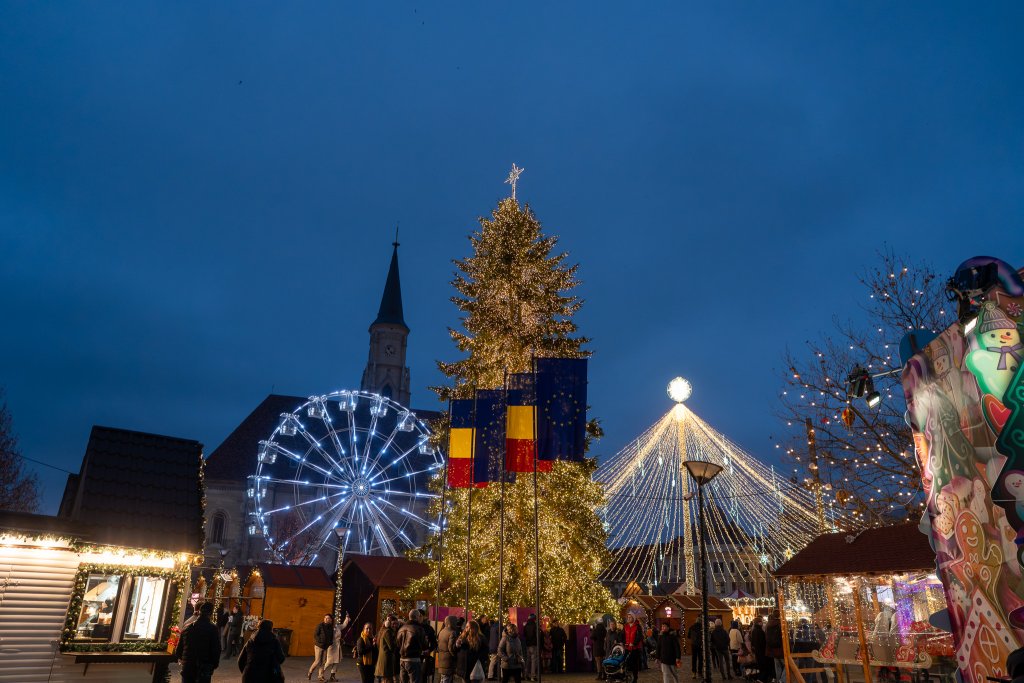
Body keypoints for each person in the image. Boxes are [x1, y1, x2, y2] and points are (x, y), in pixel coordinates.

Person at [174, 601, 221, 683]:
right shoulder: (212, 629)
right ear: (210, 613)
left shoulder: (187, 628)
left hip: (187, 669)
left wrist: (185, 661)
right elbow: (216, 650)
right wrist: (213, 665)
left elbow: (178, 651)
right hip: (203, 670)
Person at [237, 618, 286, 683]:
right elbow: (281, 658)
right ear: (271, 628)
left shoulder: (251, 641)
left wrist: (245, 671)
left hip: (250, 676)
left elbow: (241, 660)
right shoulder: (274, 641)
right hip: (269, 676)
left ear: (259, 627)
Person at [397, 609, 430, 683]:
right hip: (413, 659)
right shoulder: (419, 629)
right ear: (417, 617)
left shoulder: (401, 629)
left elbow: (397, 644)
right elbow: (424, 645)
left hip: (402, 659)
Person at [324, 612, 353, 682]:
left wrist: (347, 618)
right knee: (328, 662)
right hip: (331, 647)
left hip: (337, 647)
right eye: (333, 620)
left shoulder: (337, 626)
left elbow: (344, 625)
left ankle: (332, 676)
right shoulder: (328, 627)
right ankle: (321, 673)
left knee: (336, 662)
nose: (335, 621)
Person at [309, 613, 335, 681]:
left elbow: (331, 637)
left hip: (325, 647)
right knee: (317, 661)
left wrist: (330, 643)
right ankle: (310, 671)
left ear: (330, 620)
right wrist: (320, 641)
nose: (326, 619)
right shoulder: (320, 625)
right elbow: (315, 635)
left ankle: (320, 676)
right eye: (325, 618)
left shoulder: (331, 627)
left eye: (328, 618)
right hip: (318, 646)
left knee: (323, 662)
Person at [377, 615, 399, 683]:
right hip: (386, 662)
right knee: (387, 680)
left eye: (396, 624)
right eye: (393, 624)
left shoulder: (385, 631)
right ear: (388, 624)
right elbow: (392, 647)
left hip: (386, 662)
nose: (395, 625)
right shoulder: (388, 632)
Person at [622, 614, 644, 683]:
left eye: (630, 617)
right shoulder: (625, 626)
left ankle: (635, 678)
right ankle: (626, 676)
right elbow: (622, 635)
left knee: (634, 664)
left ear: (633, 618)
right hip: (627, 647)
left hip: (635, 648)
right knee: (626, 662)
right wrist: (622, 642)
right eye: (628, 617)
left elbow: (640, 636)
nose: (628, 618)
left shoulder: (637, 626)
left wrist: (634, 643)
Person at [438, 615, 460, 683]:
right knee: (447, 679)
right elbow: (451, 648)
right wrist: (457, 646)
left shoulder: (442, 631)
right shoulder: (452, 632)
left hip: (442, 659)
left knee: (443, 678)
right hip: (448, 660)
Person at [765, 614, 784, 683]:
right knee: (786, 666)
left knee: (777, 667)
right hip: (781, 650)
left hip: (772, 650)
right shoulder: (780, 624)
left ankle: (778, 680)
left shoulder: (767, 626)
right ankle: (782, 680)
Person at [749, 618, 768, 683]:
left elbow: (753, 641)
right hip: (761, 651)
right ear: (758, 623)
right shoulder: (760, 631)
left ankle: (760, 678)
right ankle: (761, 679)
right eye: (761, 622)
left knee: (760, 666)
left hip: (757, 651)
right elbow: (763, 642)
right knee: (763, 666)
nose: (762, 623)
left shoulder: (754, 630)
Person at [524, 615, 539, 681]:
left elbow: (524, 634)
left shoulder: (526, 625)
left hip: (527, 644)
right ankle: (533, 676)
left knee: (528, 660)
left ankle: (526, 675)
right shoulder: (535, 625)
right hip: (534, 644)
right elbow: (537, 635)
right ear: (534, 619)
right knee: (534, 661)